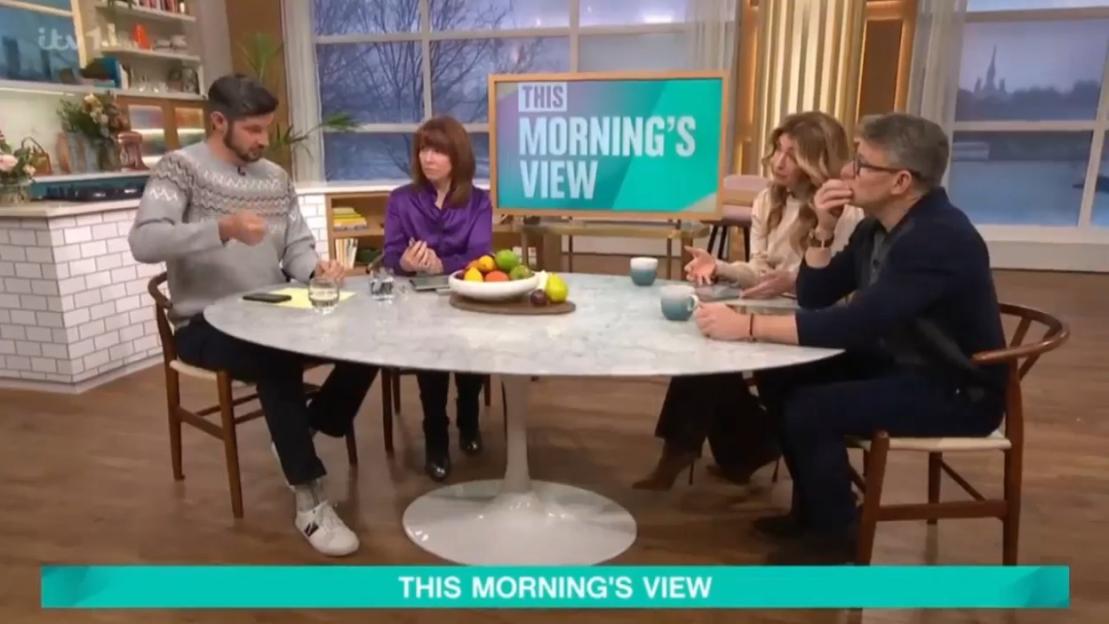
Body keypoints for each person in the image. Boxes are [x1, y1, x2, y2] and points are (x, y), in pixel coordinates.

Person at [692, 112, 1007, 563]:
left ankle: (837, 537)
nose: (845, 171)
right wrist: (822, 227)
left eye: (860, 164)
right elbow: (818, 295)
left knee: (811, 407)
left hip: (955, 388)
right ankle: (812, 510)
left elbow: (857, 322)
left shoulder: (938, 238)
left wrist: (749, 327)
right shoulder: (874, 226)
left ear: (900, 181)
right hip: (902, 362)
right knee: (782, 377)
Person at [129, 74, 378, 557]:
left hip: (275, 309)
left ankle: (306, 426)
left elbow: (298, 247)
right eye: (254, 130)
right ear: (219, 122)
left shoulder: (275, 179)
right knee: (276, 356)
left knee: (368, 332)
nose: (264, 141)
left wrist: (317, 269)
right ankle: (310, 499)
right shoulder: (178, 171)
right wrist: (219, 228)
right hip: (205, 324)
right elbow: (145, 241)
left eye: (267, 129)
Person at [634, 111, 862, 490]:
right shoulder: (766, 201)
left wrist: (793, 281)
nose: (778, 161)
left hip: (815, 319)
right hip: (772, 307)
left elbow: (841, 287)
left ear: (816, 159)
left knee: (716, 351)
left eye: (792, 154)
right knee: (705, 343)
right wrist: (720, 267)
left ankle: (713, 450)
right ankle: (730, 448)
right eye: (777, 150)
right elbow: (760, 269)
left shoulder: (845, 212)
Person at [383, 116, 493, 483]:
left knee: (471, 346)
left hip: (466, 299)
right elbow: (390, 254)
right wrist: (406, 261)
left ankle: (468, 417)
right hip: (419, 304)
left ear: (457, 156)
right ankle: (435, 435)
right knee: (430, 351)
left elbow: (481, 257)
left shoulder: (479, 202)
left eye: (438, 150)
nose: (428, 158)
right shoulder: (401, 200)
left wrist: (443, 263)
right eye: (423, 150)